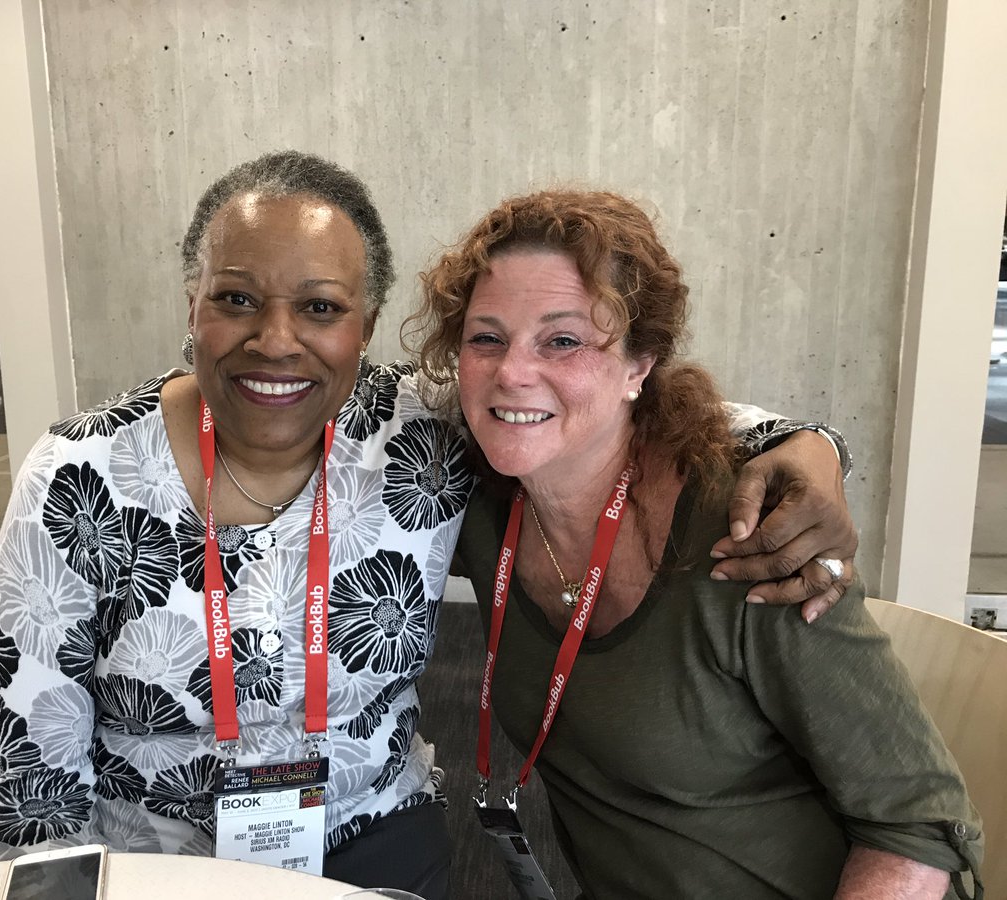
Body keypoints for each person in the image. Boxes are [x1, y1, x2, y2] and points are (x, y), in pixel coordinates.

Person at [0, 152, 857, 898]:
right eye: (236, 299)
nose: (276, 340)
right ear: (190, 305)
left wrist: (807, 444)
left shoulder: (415, 431)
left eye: (321, 308)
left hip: (373, 835)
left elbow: (606, 408)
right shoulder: (78, 479)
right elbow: (27, 792)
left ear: (364, 329)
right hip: (157, 865)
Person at [409, 189, 984, 898]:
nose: (512, 372)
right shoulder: (471, 507)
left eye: (562, 340)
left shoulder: (754, 535)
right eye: (486, 337)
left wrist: (817, 449)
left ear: (638, 365)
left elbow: (918, 826)